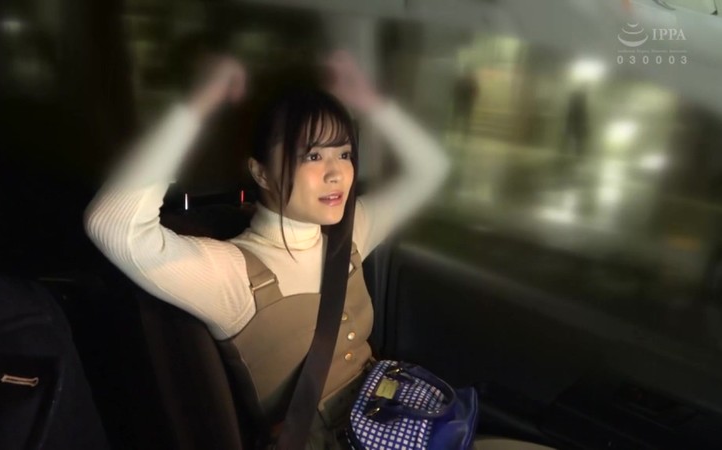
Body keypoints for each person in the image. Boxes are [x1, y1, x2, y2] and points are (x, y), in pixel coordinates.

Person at [84, 50, 450, 448]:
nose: (336, 173)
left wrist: (372, 102)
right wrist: (198, 104)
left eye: (344, 154)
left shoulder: (349, 232)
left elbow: (431, 170)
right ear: (261, 173)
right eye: (313, 155)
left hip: (393, 422)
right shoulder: (233, 276)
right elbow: (113, 224)